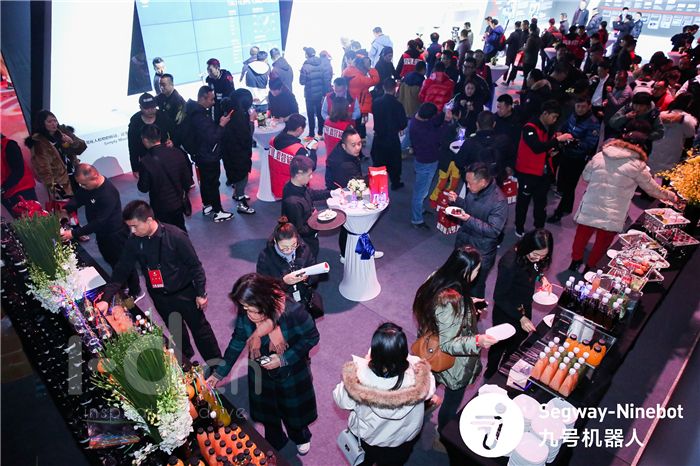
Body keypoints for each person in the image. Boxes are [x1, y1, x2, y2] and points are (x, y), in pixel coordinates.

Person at [97, 200, 221, 366]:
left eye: (134, 226)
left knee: (201, 330)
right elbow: (121, 270)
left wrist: (200, 293)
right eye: (129, 227)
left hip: (185, 293)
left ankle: (216, 366)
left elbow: (195, 266)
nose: (132, 231)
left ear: (148, 220)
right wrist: (106, 298)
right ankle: (186, 360)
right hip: (159, 296)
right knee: (176, 330)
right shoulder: (134, 240)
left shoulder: (176, 236)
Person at [207, 273, 319, 454]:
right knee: (269, 413)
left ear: (264, 302)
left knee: (293, 414)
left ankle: (300, 436)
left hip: (291, 374)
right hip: (261, 372)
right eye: (244, 308)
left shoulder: (293, 312)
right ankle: (276, 440)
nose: (248, 314)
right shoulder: (247, 310)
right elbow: (238, 340)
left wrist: (283, 359)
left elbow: (312, 337)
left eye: (252, 309)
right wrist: (219, 373)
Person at [412, 246, 498, 434]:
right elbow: (448, 343)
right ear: (464, 271)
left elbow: (439, 311)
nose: (477, 274)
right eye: (476, 270)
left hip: (429, 349)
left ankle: (421, 410)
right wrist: (478, 341)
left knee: (427, 385)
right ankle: (443, 434)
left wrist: (469, 303)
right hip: (452, 364)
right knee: (451, 402)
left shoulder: (437, 278)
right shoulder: (451, 301)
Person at [570, 123, 677, 273]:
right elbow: (652, 189)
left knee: (582, 235)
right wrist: (671, 196)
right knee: (603, 241)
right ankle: (590, 267)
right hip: (613, 211)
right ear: (639, 147)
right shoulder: (638, 165)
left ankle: (575, 261)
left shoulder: (600, 155)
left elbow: (586, 176)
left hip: (591, 203)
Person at [333, 322, 435, 465]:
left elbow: (340, 400)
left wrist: (364, 364)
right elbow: (430, 391)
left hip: (369, 439)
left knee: (363, 462)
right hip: (402, 440)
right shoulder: (419, 373)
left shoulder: (359, 378)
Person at [62, 164, 142, 299]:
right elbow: (79, 198)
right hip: (102, 234)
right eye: (80, 184)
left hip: (115, 234)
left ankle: (136, 291)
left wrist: (74, 234)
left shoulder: (108, 193)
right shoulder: (88, 187)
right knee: (111, 260)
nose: (82, 187)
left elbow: (99, 222)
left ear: (95, 177)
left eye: (84, 184)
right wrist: (66, 209)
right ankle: (122, 283)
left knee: (124, 263)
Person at [484, 229, 554, 378]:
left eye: (543, 256)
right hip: (506, 309)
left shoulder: (534, 258)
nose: (539, 259)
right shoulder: (509, 263)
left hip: (524, 304)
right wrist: (521, 317)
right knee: (499, 344)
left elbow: (534, 269)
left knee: (518, 341)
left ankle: (506, 365)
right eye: (536, 254)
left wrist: (542, 279)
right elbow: (499, 296)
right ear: (528, 246)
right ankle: (491, 372)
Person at [445, 162, 508, 298]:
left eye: (470, 183)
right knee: (457, 280)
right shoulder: (475, 189)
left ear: (483, 182)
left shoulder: (499, 201)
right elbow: (469, 207)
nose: (467, 186)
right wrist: (457, 201)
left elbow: (494, 231)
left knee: (475, 287)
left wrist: (468, 219)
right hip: (464, 243)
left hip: (481, 252)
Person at [514, 100, 574, 237]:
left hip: (542, 173)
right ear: (545, 113)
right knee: (523, 202)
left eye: (556, 118)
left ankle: (539, 229)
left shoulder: (549, 128)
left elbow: (544, 148)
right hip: (527, 173)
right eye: (553, 116)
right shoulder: (530, 128)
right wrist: (557, 140)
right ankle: (519, 227)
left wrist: (552, 151)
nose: (554, 120)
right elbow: (536, 147)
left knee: (541, 203)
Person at [256, 217, 325, 319]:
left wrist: (307, 278)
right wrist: (284, 282)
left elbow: (314, 273)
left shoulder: (303, 248)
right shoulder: (265, 258)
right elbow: (263, 287)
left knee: (305, 322)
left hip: (303, 297)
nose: (289, 250)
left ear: (297, 239)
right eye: (284, 248)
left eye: (293, 245)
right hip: (282, 303)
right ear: (275, 241)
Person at [184, 86, 234, 222]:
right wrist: (222, 125)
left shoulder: (192, 111)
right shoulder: (199, 117)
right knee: (212, 182)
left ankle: (207, 205)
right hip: (208, 154)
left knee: (205, 181)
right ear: (202, 98)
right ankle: (218, 211)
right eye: (211, 99)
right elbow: (213, 137)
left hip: (200, 153)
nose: (213, 102)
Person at [548, 97, 600, 223]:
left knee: (569, 186)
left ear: (589, 106)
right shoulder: (573, 115)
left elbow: (590, 144)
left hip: (578, 159)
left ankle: (559, 212)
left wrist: (573, 141)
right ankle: (567, 207)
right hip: (566, 154)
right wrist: (560, 132)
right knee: (562, 182)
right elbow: (565, 126)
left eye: (583, 106)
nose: (580, 109)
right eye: (578, 106)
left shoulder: (593, 123)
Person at [138, 124, 193, 231]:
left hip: (160, 206)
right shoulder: (176, 152)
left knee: (165, 233)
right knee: (180, 230)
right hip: (178, 201)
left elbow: (143, 188)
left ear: (144, 140)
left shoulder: (145, 161)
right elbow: (187, 180)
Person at [25, 109, 86, 199]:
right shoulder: (39, 142)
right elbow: (43, 168)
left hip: (77, 176)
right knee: (71, 205)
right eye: (49, 122)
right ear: (42, 124)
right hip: (62, 184)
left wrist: (72, 142)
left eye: (55, 120)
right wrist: (53, 186)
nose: (54, 124)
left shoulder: (63, 132)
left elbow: (81, 148)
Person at [325, 127, 365, 262]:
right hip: (343, 195)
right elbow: (355, 184)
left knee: (355, 225)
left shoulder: (344, 151)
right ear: (344, 145)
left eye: (359, 143)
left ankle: (363, 249)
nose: (358, 148)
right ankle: (345, 255)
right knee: (348, 225)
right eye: (353, 145)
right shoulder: (343, 165)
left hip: (344, 189)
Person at [410, 103, 450, 229]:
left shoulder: (416, 119)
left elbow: (433, 122)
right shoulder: (424, 131)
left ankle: (420, 210)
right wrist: (446, 122)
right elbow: (440, 137)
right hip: (426, 162)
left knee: (423, 190)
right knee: (420, 192)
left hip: (423, 160)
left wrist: (443, 114)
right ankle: (417, 220)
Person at [281, 155, 330, 260]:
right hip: (304, 244)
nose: (311, 177)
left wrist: (331, 193)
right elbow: (300, 230)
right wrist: (317, 220)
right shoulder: (293, 202)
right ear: (299, 174)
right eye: (309, 175)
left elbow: (311, 194)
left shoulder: (297, 185)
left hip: (310, 236)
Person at [221, 89, 256, 214]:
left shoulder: (230, 110)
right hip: (238, 152)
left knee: (236, 175)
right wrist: (251, 121)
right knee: (242, 177)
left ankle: (237, 194)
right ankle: (241, 203)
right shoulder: (239, 116)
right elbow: (247, 136)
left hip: (229, 150)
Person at [371, 78, 408, 190]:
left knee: (378, 162)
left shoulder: (376, 102)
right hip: (392, 137)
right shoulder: (398, 105)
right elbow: (403, 123)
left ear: (383, 87)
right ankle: (395, 182)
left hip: (379, 137)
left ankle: (377, 186)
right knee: (394, 162)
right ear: (395, 88)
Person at [648, 94, 698, 176]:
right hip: (673, 150)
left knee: (652, 172)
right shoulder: (688, 119)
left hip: (657, 147)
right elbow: (690, 134)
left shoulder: (662, 114)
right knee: (667, 174)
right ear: (689, 104)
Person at [269, 114, 317, 199]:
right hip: (294, 190)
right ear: (299, 129)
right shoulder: (298, 150)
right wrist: (313, 151)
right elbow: (311, 167)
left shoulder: (272, 140)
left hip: (276, 184)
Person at [127, 92, 174, 174]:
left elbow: (174, 131)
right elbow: (132, 146)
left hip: (165, 156)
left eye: (153, 107)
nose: (150, 111)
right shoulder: (135, 122)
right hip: (147, 160)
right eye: (147, 108)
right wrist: (135, 168)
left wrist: (173, 141)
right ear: (140, 107)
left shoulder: (163, 116)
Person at [342, 56, 380, 141]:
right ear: (361, 66)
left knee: (351, 122)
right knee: (361, 123)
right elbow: (375, 80)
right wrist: (370, 69)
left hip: (349, 102)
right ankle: (360, 138)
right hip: (361, 104)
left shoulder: (347, 71)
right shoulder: (361, 78)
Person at [1, 134, 38, 216]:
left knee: (34, 218)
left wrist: (3, 188)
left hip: (22, 189)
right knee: (21, 221)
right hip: (6, 194)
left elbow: (18, 170)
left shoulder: (9, 145)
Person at [300, 47, 331, 139]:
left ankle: (311, 134)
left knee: (310, 115)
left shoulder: (305, 66)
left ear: (306, 55)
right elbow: (325, 79)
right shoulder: (321, 64)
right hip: (320, 93)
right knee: (320, 113)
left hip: (309, 94)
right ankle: (320, 132)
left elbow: (302, 82)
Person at [155, 74, 186, 146]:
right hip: (166, 134)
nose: (161, 87)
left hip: (176, 139)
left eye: (164, 85)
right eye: (160, 85)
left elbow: (181, 125)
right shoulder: (161, 96)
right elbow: (152, 103)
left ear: (171, 84)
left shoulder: (178, 102)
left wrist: (174, 141)